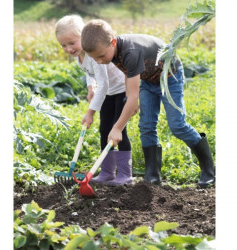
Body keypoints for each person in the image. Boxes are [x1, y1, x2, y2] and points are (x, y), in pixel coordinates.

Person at [81, 19, 215, 188]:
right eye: (95, 59)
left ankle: (209, 169)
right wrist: (131, 96)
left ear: (113, 42)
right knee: (146, 125)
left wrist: (117, 128)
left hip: (169, 77)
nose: (99, 61)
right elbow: (128, 74)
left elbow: (132, 96)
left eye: (101, 56)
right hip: (148, 81)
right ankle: (152, 175)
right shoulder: (111, 51)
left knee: (177, 125)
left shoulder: (130, 51)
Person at [55, 15, 133, 186]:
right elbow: (89, 74)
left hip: (121, 90)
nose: (68, 48)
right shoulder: (79, 57)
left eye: (71, 43)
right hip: (107, 93)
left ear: (83, 36)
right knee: (104, 130)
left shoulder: (93, 55)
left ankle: (125, 174)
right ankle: (107, 172)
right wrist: (91, 87)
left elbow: (103, 84)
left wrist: (90, 112)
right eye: (63, 45)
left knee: (118, 131)